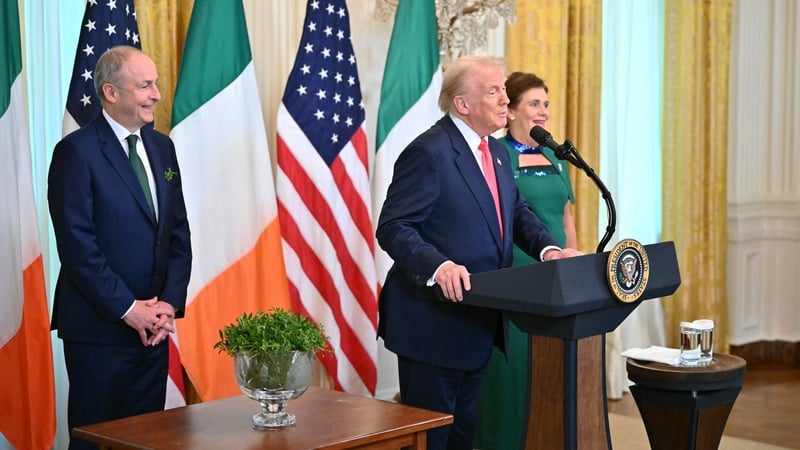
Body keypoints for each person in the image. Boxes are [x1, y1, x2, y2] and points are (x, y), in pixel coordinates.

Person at [375, 56, 581, 450]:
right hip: (432, 324)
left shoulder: (497, 152)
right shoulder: (430, 152)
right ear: (462, 104)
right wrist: (439, 265)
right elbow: (394, 227)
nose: (505, 99)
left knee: (461, 440)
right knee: (432, 442)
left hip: (478, 321)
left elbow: (516, 213)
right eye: (493, 91)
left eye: (504, 89)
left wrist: (550, 250)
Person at [48, 46, 192, 450]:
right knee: (99, 440)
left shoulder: (162, 147)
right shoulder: (75, 153)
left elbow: (178, 233)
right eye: (145, 85)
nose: (156, 94)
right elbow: (78, 248)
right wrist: (131, 310)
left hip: (154, 331)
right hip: (101, 330)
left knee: (147, 440)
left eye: (156, 84)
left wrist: (166, 304)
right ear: (111, 93)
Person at [474, 71, 577, 450]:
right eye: (534, 103)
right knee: (512, 370)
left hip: (554, 270)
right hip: (514, 275)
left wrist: (574, 269)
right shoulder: (495, 154)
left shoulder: (555, 155)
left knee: (549, 368)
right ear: (511, 110)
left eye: (546, 104)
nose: (543, 112)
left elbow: (565, 217)